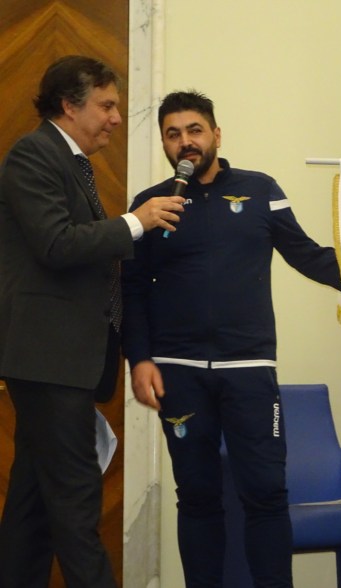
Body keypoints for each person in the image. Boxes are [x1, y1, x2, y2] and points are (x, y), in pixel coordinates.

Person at [121, 90, 341, 587]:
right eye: (173, 134)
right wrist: (139, 359)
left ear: (216, 135)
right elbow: (131, 290)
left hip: (249, 370)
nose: (185, 142)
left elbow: (307, 255)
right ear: (164, 143)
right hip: (178, 372)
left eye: (194, 130)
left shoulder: (260, 189)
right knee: (197, 496)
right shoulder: (149, 205)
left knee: (266, 493)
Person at [0, 56, 184, 588]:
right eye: (106, 106)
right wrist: (135, 223)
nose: (117, 118)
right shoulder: (33, 154)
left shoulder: (69, 161)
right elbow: (57, 244)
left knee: (32, 507)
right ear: (69, 105)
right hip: (49, 359)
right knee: (77, 502)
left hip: (60, 362)